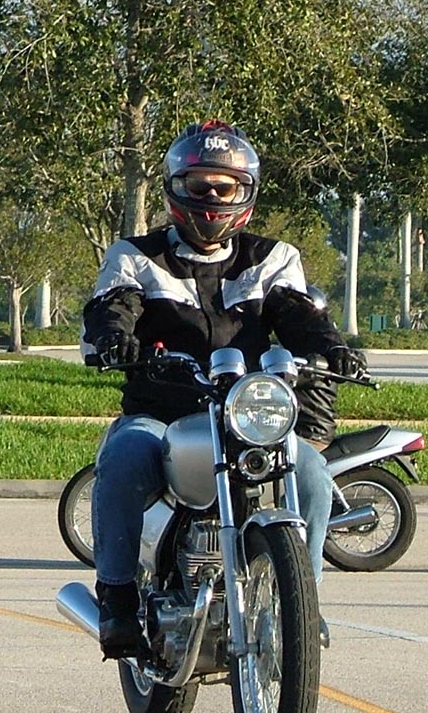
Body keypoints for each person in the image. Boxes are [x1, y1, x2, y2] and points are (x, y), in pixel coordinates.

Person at [81, 119, 366, 659]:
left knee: (310, 471)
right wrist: (113, 339)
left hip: (246, 416)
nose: (212, 198)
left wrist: (333, 348)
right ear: (176, 189)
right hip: (163, 412)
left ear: (246, 193)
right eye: (200, 186)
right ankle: (116, 599)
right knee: (123, 456)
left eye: (224, 187)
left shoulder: (273, 258)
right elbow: (112, 308)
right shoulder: (134, 256)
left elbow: (300, 314)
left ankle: (302, 606)